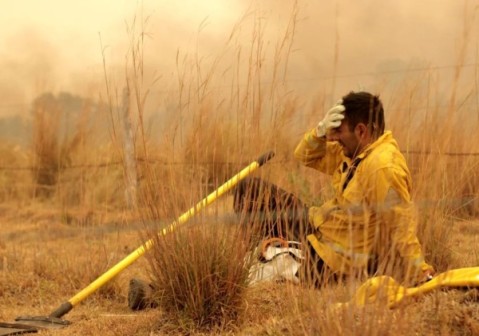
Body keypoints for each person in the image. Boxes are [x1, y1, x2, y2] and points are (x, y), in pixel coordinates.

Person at [234, 91, 435, 286]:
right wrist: (320, 132)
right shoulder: (354, 152)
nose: (334, 137)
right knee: (249, 189)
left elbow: (400, 223)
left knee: (255, 270)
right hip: (318, 226)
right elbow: (304, 156)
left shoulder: (382, 166)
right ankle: (264, 247)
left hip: (333, 260)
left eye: (339, 131)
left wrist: (420, 270)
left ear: (361, 131)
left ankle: (273, 253)